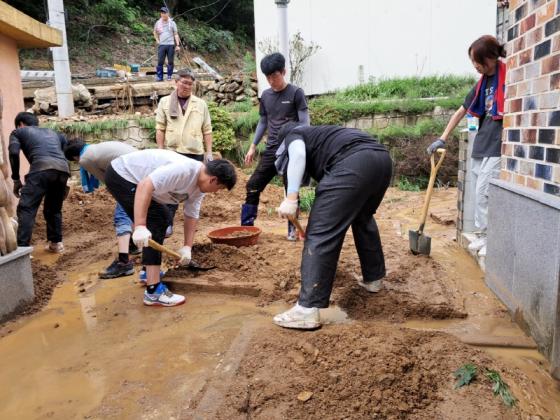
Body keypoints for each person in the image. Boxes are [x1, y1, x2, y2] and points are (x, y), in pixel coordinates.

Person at [272, 124, 392, 329]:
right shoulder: (324, 136)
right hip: (382, 162)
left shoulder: (293, 134)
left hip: (353, 163)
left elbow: (298, 156)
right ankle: (374, 279)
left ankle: (307, 310)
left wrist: (291, 198)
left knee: (320, 232)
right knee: (363, 218)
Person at [104, 149, 236, 307]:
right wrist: (139, 226)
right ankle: (153, 292)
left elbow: (191, 215)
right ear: (213, 180)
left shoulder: (199, 187)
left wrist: (187, 247)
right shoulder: (184, 170)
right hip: (123, 175)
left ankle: (148, 273)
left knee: (163, 217)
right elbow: (145, 185)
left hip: (136, 181)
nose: (216, 192)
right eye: (219, 189)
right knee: (157, 219)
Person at [428, 35, 506, 258]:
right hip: (481, 144)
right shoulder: (482, 84)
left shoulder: (508, 76)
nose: (475, 66)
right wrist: (442, 138)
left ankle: (490, 237)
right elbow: (462, 111)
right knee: (478, 192)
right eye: (473, 62)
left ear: (491, 57)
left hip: (496, 145)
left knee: (483, 192)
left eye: (478, 61)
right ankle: (483, 235)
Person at [242, 52, 309, 241]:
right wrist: (253, 146)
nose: (271, 80)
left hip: (290, 150)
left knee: (290, 191)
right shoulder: (266, 95)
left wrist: (301, 144)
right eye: (268, 77)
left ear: (284, 72)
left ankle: (292, 230)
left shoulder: (296, 93)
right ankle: (247, 226)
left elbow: (305, 122)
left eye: (275, 76)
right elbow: (263, 122)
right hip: (271, 150)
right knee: (253, 185)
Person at [64, 139, 141, 279]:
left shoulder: (85, 159)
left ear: (75, 157)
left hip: (131, 174)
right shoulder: (95, 149)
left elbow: (107, 179)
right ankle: (134, 244)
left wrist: (119, 197)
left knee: (121, 215)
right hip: (139, 170)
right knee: (131, 210)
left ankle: (124, 263)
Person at [156, 68, 214, 238]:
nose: (187, 86)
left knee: (194, 190)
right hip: (173, 152)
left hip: (194, 152)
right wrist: (160, 150)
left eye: (190, 83)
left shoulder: (200, 104)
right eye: (184, 82)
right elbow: (160, 128)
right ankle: (168, 223)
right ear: (176, 82)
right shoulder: (165, 102)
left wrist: (208, 152)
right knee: (171, 190)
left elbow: (207, 130)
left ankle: (190, 224)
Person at [8, 112, 69, 251]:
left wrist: (16, 179)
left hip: (40, 169)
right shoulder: (55, 133)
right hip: (63, 171)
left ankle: (23, 249)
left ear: (20, 124)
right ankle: (56, 243)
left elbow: (13, 152)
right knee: (53, 209)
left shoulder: (18, 132)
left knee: (26, 208)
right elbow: (66, 150)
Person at [153, 6, 181, 81]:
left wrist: (177, 45)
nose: (163, 14)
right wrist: (157, 40)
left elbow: (176, 34)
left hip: (170, 45)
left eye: (164, 13)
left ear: (168, 14)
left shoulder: (172, 23)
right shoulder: (158, 23)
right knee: (160, 61)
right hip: (162, 45)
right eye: (161, 13)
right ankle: (159, 77)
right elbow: (155, 32)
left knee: (170, 61)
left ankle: (169, 76)